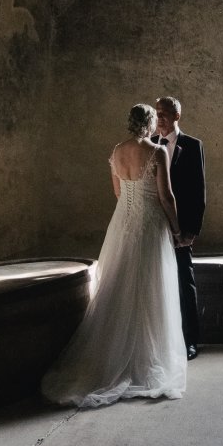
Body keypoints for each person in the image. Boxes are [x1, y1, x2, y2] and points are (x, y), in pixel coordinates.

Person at [40, 104, 186, 407]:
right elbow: (166, 196)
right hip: (149, 224)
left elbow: (118, 193)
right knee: (151, 287)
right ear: (148, 124)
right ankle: (144, 360)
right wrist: (176, 228)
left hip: (124, 222)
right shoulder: (158, 152)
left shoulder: (117, 151)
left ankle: (114, 355)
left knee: (120, 282)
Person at [154, 96, 206, 360]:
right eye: (157, 112)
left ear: (177, 116)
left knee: (185, 284)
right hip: (153, 226)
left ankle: (190, 342)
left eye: (164, 113)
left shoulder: (192, 145)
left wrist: (191, 232)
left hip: (181, 229)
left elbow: (199, 192)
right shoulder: (149, 145)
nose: (159, 117)